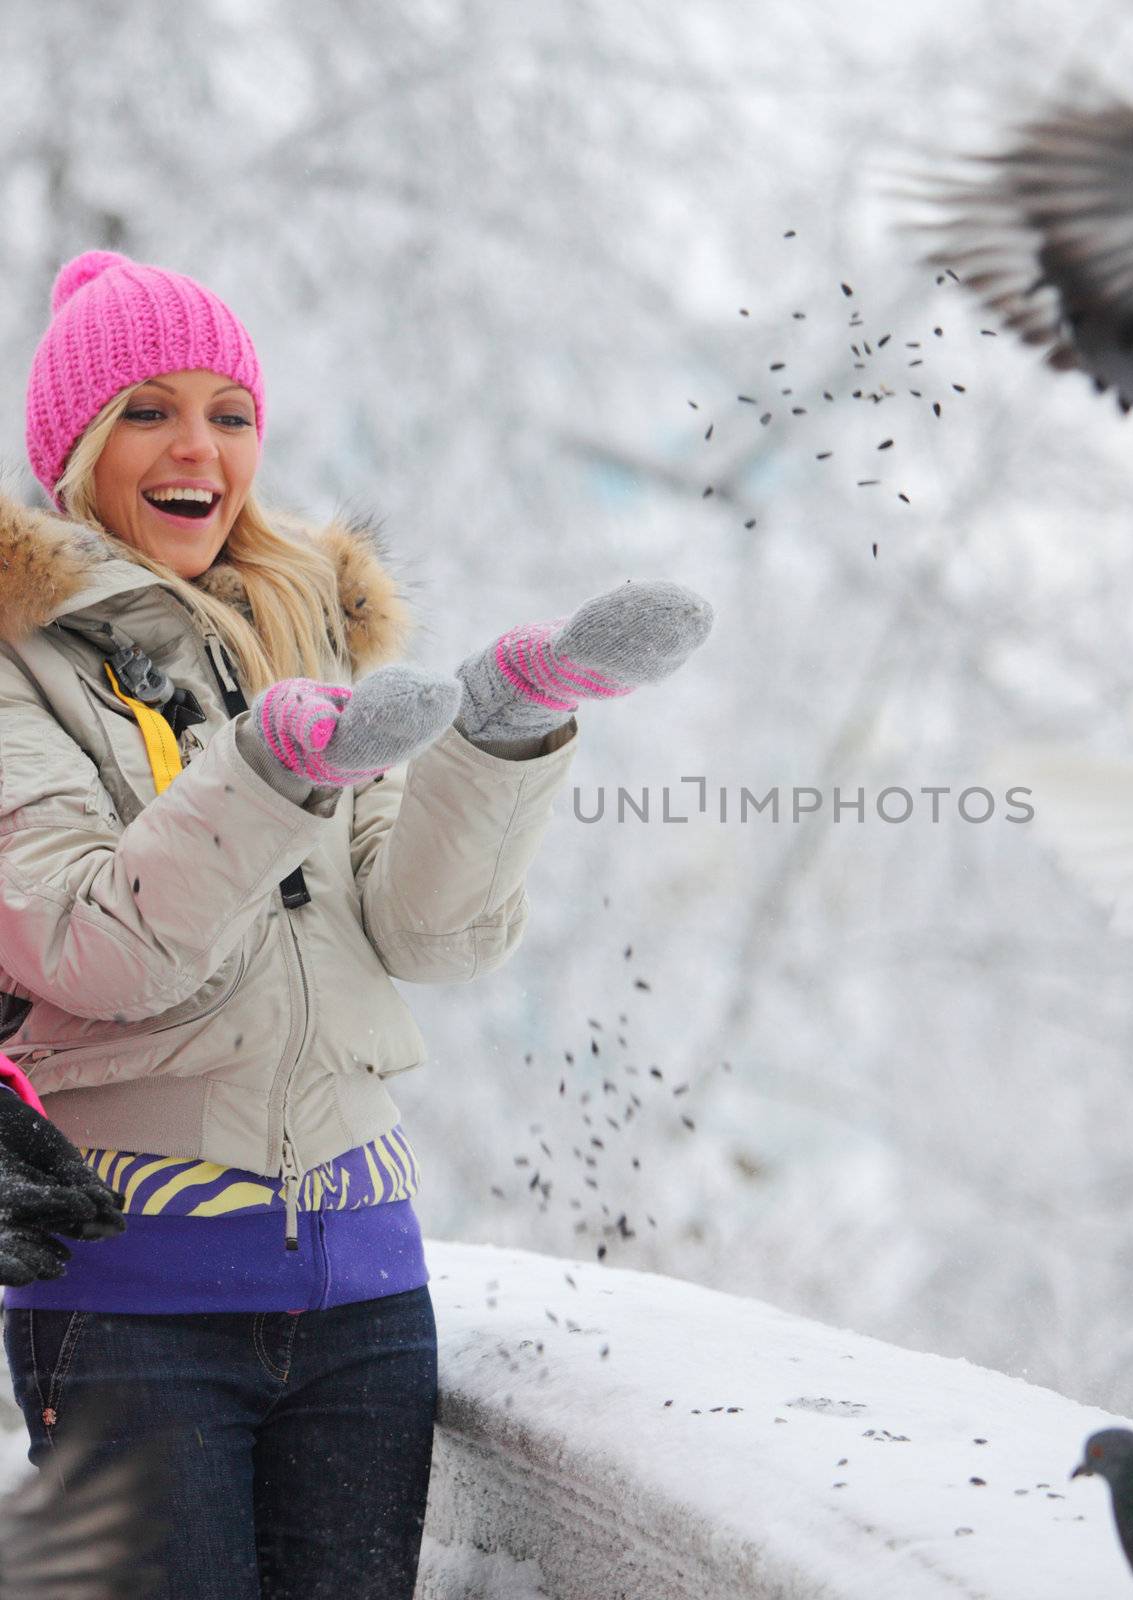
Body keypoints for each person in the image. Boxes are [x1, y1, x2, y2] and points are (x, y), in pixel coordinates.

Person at [0, 250, 712, 1599]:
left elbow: (427, 936)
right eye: (148, 409)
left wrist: (504, 733)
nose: (197, 445)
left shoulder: (297, 626)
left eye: (230, 412)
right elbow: (89, 946)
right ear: (78, 447)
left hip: (365, 1290)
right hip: (135, 1300)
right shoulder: (13, 661)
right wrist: (265, 778)